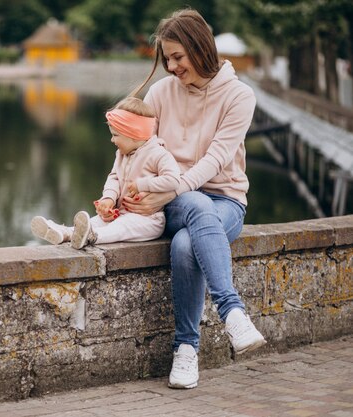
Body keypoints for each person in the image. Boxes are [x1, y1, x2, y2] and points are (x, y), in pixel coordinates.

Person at [121, 8, 266, 389]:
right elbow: (135, 150)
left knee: (187, 244)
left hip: (225, 200)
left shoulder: (239, 96)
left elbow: (216, 160)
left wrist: (169, 190)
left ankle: (186, 350)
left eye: (177, 57)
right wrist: (132, 191)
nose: (171, 67)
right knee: (195, 207)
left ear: (200, 47)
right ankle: (232, 312)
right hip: (169, 200)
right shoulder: (160, 93)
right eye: (166, 58)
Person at [31, 96, 181, 250]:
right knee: (98, 221)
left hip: (148, 220)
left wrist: (142, 184)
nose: (112, 140)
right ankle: (66, 233)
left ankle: (92, 236)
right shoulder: (121, 154)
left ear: (134, 134)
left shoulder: (159, 154)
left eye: (115, 135)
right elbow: (114, 177)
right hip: (121, 213)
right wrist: (109, 198)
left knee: (122, 226)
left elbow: (173, 180)